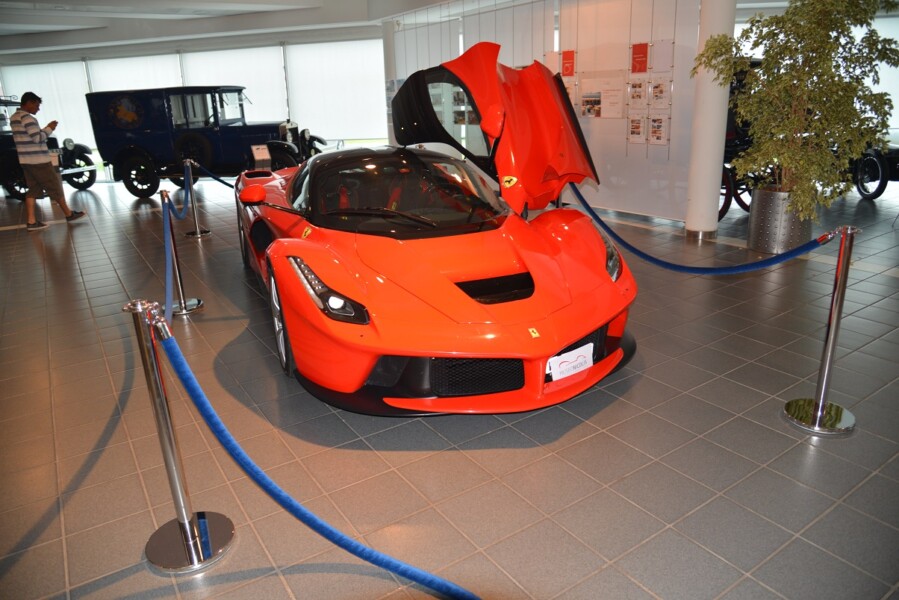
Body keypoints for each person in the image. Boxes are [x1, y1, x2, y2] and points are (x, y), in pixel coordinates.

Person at [11, 91, 85, 231]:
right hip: (39, 160)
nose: (38, 109)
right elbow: (38, 138)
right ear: (29, 103)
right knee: (54, 186)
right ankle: (69, 214)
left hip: (25, 160)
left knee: (33, 189)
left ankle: (31, 222)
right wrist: (49, 128)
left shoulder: (14, 117)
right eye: (36, 105)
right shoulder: (27, 118)